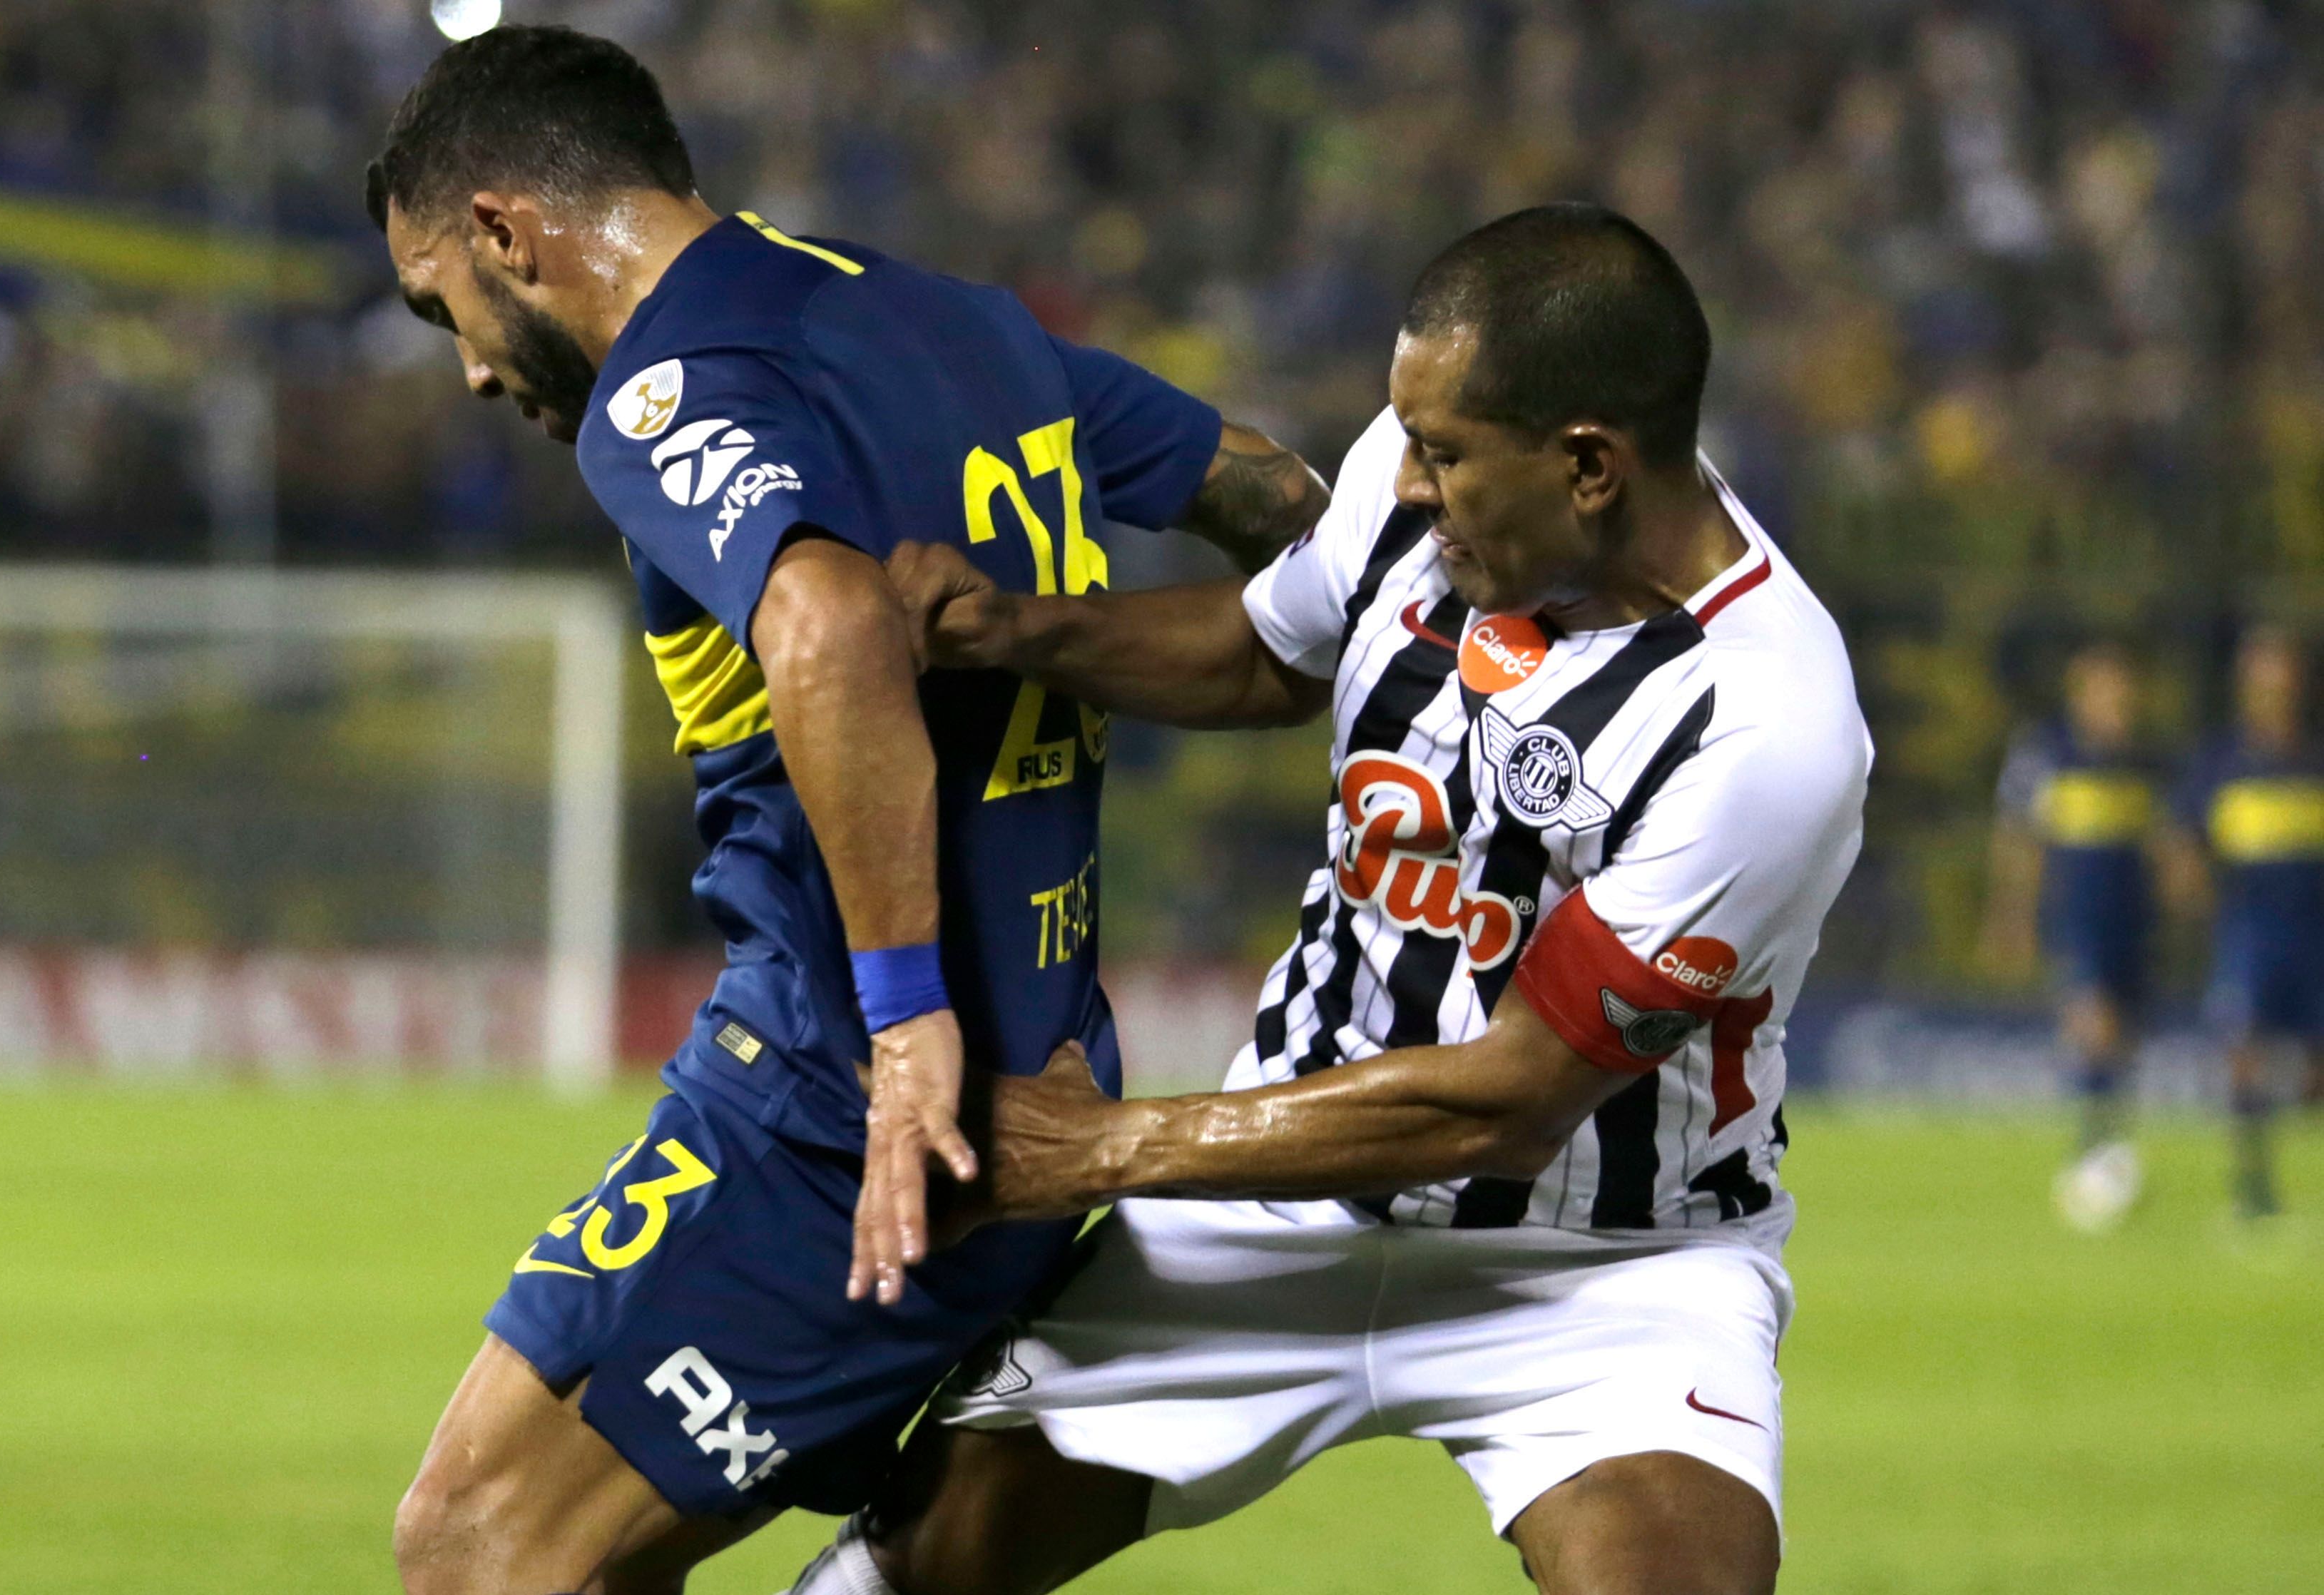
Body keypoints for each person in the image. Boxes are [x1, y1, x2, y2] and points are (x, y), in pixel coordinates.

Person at [361, 27, 1327, 1594]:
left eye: (441, 307)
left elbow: (830, 624)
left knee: (482, 1548)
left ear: (501, 233)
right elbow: (1278, 504)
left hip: (842, 1112)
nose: (469, 364)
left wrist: (901, 1025)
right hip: (1038, 1086)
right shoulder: (955, 322)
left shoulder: (669, 393)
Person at [786, 204, 1868, 1595]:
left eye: (1444, 454)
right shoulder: (1427, 486)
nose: (1403, 478)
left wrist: (1099, 1148)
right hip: (1267, 1198)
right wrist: (1019, 629)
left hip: (1599, 1266)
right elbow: (1266, 653)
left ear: (1586, 465)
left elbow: (1506, 1095)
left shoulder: (1768, 720)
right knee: (906, 1568)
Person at [1984, 641, 2165, 1231]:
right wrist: (2013, 918)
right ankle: (2094, 1148)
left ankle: (2105, 1140)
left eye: (2122, 687)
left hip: (2133, 921)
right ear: (2080, 691)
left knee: (2123, 1036)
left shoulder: (2144, 759)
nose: (2116, 699)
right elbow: (2019, 837)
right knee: (2093, 1021)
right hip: (2076, 918)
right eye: (2104, 687)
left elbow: (2164, 840)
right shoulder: (2049, 753)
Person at [2174, 625, 2324, 1221]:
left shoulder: (2315, 759)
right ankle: (2253, 1188)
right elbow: (2183, 836)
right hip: (2250, 930)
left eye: (2283, 678)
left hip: (2315, 932)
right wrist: (2195, 893)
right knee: (2246, 1052)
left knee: (2315, 1074)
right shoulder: (2223, 761)